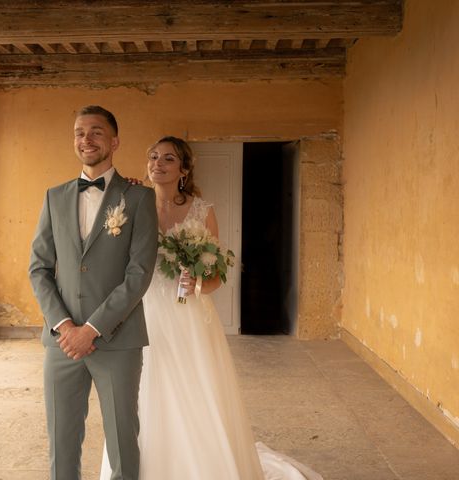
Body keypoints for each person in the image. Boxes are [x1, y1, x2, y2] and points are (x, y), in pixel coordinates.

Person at [100, 136, 322, 480]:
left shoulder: (202, 211)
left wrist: (198, 284)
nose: (157, 163)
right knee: (143, 388)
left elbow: (217, 276)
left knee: (195, 389)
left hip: (188, 315)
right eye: (153, 156)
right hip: (144, 311)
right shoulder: (131, 203)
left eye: (168, 159)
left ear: (184, 169)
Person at [29, 105, 158, 480]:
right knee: (61, 440)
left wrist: (93, 329)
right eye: (79, 132)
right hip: (61, 342)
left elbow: (139, 274)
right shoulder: (54, 197)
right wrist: (65, 326)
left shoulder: (138, 199)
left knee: (122, 438)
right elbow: (39, 268)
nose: (86, 139)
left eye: (96, 132)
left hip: (117, 340)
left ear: (114, 141)